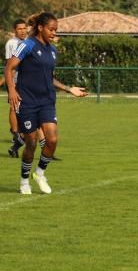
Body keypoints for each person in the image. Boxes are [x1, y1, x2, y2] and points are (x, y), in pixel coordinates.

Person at [4, 12, 88, 195]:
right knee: (31, 143)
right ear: (40, 28)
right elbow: (9, 68)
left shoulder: (52, 50)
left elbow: (48, 78)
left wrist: (68, 89)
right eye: (51, 29)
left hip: (47, 102)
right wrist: (11, 90)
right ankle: (24, 180)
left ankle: (40, 174)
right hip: (26, 101)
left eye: (56, 30)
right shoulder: (27, 45)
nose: (53, 33)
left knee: (52, 139)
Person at [5, 19, 28, 157]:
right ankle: (15, 133)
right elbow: (10, 66)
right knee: (14, 106)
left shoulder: (27, 42)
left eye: (24, 28)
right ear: (15, 30)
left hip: (25, 82)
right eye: (20, 29)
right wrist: (11, 86)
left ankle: (18, 139)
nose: (23, 31)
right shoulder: (11, 43)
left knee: (23, 108)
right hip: (14, 81)